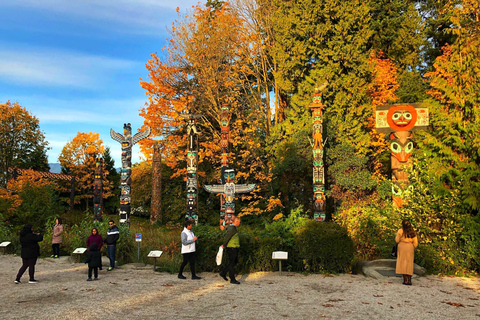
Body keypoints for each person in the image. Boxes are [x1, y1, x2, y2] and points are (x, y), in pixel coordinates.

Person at [395, 220, 419, 285]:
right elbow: (416, 243)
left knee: (402, 262)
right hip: (410, 247)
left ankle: (405, 280)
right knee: (409, 262)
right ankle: (410, 280)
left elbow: (397, 240)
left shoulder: (400, 231)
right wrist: (412, 247)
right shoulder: (412, 232)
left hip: (402, 246)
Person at [219, 216, 241, 284]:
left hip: (234, 246)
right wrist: (224, 245)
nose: (239, 223)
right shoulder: (232, 228)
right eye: (239, 222)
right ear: (236, 222)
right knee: (232, 263)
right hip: (231, 247)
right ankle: (232, 278)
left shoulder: (233, 228)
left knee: (235, 262)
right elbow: (227, 237)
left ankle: (223, 272)